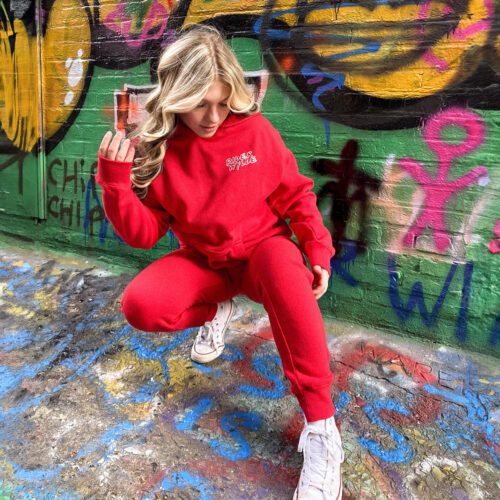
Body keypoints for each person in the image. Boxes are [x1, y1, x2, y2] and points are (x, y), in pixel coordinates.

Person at [96, 24, 344, 499]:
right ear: (175, 96)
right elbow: (144, 234)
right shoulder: (160, 148)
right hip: (205, 261)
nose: (213, 117)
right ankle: (217, 312)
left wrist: (317, 249)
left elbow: (295, 194)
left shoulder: (253, 131)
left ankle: (323, 432)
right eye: (199, 104)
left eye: (222, 102)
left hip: (263, 253)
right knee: (141, 306)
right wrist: (115, 185)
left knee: (285, 274)